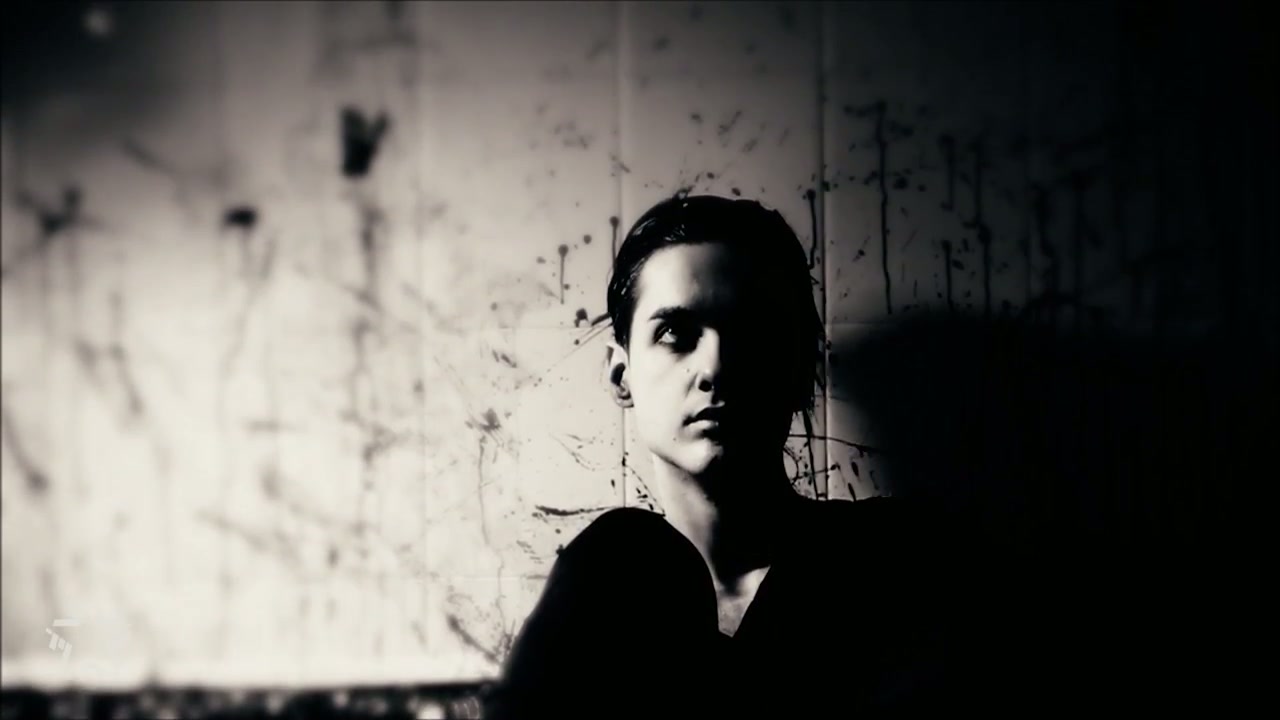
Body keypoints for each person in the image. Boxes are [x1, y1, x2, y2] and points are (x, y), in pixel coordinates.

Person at [482, 194, 968, 718]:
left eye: (753, 331)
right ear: (621, 374)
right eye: (675, 333)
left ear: (800, 368)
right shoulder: (605, 587)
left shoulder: (901, 563)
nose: (715, 367)